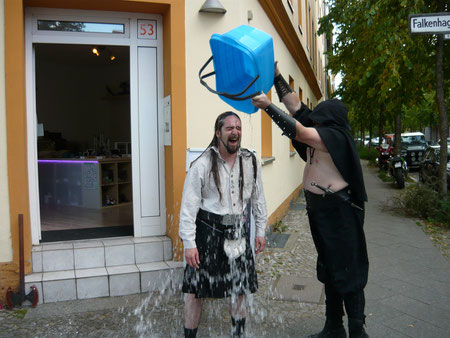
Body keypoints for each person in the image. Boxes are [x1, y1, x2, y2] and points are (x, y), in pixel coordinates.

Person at [251, 63, 369, 338]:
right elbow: (296, 109)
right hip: (322, 211)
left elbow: (300, 131)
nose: (312, 119)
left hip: (340, 213)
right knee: (328, 266)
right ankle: (333, 327)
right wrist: (277, 76)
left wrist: (268, 107)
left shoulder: (335, 136)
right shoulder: (324, 128)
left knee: (347, 270)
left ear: (329, 120)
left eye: (318, 118)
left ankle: (357, 331)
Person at [179, 111, 268, 338]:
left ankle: (237, 334)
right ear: (218, 132)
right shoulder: (202, 164)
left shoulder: (250, 162)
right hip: (207, 231)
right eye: (229, 128)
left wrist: (260, 231)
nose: (235, 132)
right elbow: (188, 207)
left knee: (239, 290)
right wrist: (189, 243)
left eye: (238, 128)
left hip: (238, 230)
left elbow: (258, 199)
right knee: (195, 291)